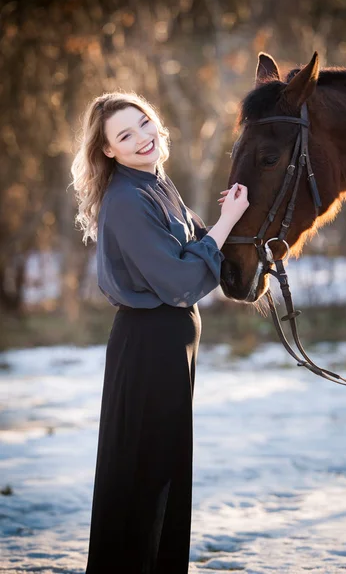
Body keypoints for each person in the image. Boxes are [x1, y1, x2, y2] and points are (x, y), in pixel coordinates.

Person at [70, 91, 249, 574]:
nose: (142, 138)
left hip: (170, 345)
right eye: (125, 135)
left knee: (165, 475)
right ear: (109, 150)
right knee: (142, 481)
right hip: (147, 345)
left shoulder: (157, 182)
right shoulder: (127, 197)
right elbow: (177, 281)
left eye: (144, 123)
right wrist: (227, 222)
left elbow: (192, 250)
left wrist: (225, 227)